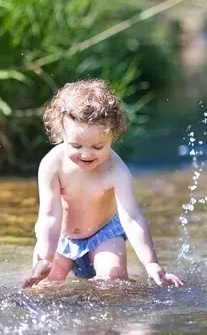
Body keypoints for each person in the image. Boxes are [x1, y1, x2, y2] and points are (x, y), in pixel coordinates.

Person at [22, 79, 183, 288]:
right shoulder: (52, 165)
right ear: (61, 132)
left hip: (104, 235)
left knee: (113, 280)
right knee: (45, 285)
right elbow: (49, 215)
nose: (87, 154)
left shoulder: (116, 170)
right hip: (60, 237)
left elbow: (132, 218)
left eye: (98, 146)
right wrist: (45, 256)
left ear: (113, 135)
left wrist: (151, 263)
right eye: (76, 145)